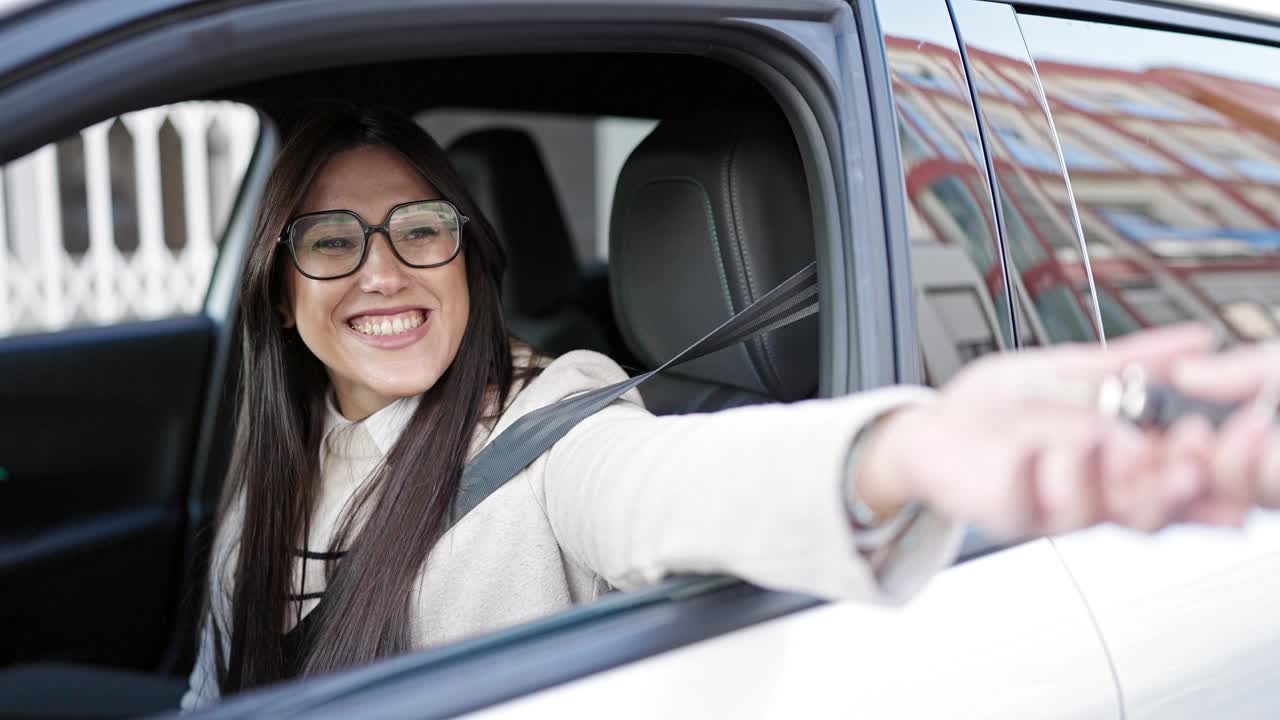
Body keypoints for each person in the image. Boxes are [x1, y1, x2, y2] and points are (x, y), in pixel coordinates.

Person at [180, 105, 1278, 708]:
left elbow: (668, 486)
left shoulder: (554, 426)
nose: (383, 272)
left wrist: (907, 447)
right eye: (331, 241)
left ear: (469, 257)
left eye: (421, 229)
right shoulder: (275, 463)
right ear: (281, 292)